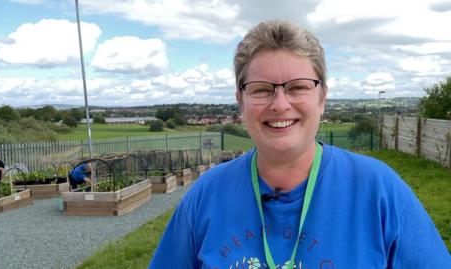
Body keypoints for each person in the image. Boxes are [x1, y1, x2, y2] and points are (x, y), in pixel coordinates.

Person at [149, 20, 450, 268]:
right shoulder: (206, 195)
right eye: (262, 89)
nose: (280, 104)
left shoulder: (379, 190)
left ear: (322, 98)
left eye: (298, 87)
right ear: (240, 101)